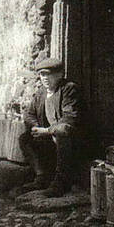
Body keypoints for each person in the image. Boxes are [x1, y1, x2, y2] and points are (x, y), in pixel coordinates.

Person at [18, 57, 85, 197]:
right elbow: (28, 114)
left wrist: (47, 131)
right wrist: (36, 128)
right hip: (49, 137)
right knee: (25, 138)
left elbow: (70, 119)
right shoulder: (41, 92)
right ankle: (42, 177)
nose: (45, 78)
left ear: (60, 74)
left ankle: (61, 182)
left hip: (72, 140)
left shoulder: (69, 89)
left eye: (49, 74)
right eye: (42, 74)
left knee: (62, 132)